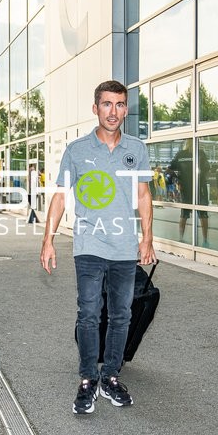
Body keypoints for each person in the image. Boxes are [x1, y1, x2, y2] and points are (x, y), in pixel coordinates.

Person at [40, 79, 156, 415]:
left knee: (121, 315)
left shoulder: (137, 148)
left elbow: (143, 196)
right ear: (95, 108)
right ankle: (88, 379)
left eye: (120, 105)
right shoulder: (77, 150)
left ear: (126, 110)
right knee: (89, 313)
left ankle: (110, 377)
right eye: (107, 104)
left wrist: (147, 238)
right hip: (88, 243)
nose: (114, 111)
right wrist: (47, 240)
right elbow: (61, 196)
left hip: (123, 247)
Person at [170, 138, 209, 244]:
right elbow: (207, 169)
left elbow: (169, 169)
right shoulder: (200, 153)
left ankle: (181, 237)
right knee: (203, 215)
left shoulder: (181, 154)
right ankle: (205, 240)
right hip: (200, 188)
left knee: (184, 214)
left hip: (186, 188)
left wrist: (178, 179)